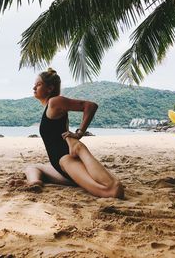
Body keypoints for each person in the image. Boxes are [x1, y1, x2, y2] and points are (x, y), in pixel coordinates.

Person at [23, 68, 124, 198]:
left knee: (112, 191)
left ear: (49, 88)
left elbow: (90, 106)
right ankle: (35, 183)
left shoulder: (55, 102)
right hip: (60, 167)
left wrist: (79, 133)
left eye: (38, 84)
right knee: (32, 168)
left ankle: (79, 149)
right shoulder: (50, 106)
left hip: (67, 160)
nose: (34, 87)